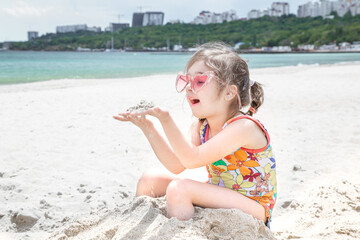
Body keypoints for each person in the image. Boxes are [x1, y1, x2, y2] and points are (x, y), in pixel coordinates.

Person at [113, 42, 277, 228]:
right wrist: (149, 127)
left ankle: (184, 233)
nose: (189, 88)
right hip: (219, 194)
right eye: (186, 81)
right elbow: (176, 164)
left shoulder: (243, 127)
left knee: (179, 189)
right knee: (149, 178)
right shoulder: (201, 126)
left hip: (254, 208)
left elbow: (192, 159)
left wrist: (167, 120)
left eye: (199, 81)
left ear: (229, 92)